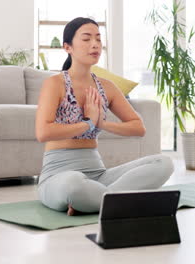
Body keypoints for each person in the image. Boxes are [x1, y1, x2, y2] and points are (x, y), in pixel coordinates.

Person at [35, 17, 174, 216]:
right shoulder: (55, 84)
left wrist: (102, 123)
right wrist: (88, 123)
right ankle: (104, 198)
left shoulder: (106, 87)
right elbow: (43, 132)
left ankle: (97, 200)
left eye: (98, 39)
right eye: (86, 39)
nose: (95, 44)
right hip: (59, 176)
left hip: (99, 175)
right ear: (68, 47)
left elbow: (138, 128)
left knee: (164, 163)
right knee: (74, 184)